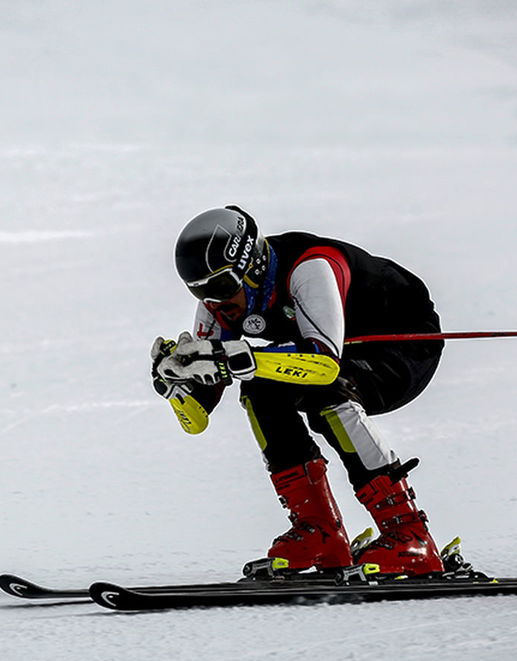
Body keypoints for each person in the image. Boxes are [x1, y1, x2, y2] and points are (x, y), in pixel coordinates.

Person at [151, 205, 447, 576]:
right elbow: (196, 422)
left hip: (403, 341)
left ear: (253, 267)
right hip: (331, 350)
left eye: (221, 286)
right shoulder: (217, 304)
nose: (213, 301)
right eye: (199, 291)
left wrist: (239, 358)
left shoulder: (310, 268)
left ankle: (410, 534)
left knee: (327, 395)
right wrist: (177, 387)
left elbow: (323, 364)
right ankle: (321, 534)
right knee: (259, 391)